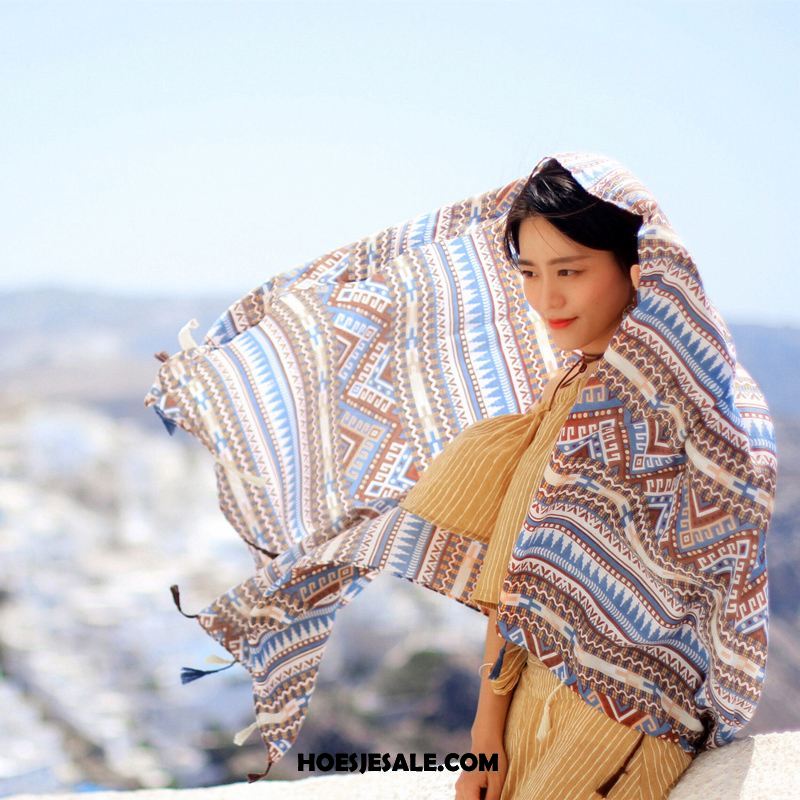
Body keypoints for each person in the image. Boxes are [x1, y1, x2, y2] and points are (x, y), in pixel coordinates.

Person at [399, 159, 692, 799]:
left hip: (610, 733)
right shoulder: (576, 385)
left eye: (571, 271)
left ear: (638, 269)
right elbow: (522, 582)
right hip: (542, 705)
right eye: (530, 273)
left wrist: (486, 730)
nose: (546, 299)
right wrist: (488, 734)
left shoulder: (651, 400)